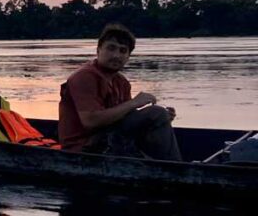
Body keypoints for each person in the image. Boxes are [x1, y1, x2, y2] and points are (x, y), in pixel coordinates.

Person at [58, 23, 181, 161]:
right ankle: (177, 170)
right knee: (156, 113)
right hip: (83, 148)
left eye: (123, 51)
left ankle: (167, 166)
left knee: (158, 115)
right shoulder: (84, 77)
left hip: (111, 139)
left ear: (128, 56)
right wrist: (134, 103)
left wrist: (160, 118)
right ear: (98, 50)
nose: (116, 55)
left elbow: (123, 117)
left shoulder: (121, 82)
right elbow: (90, 121)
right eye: (111, 48)